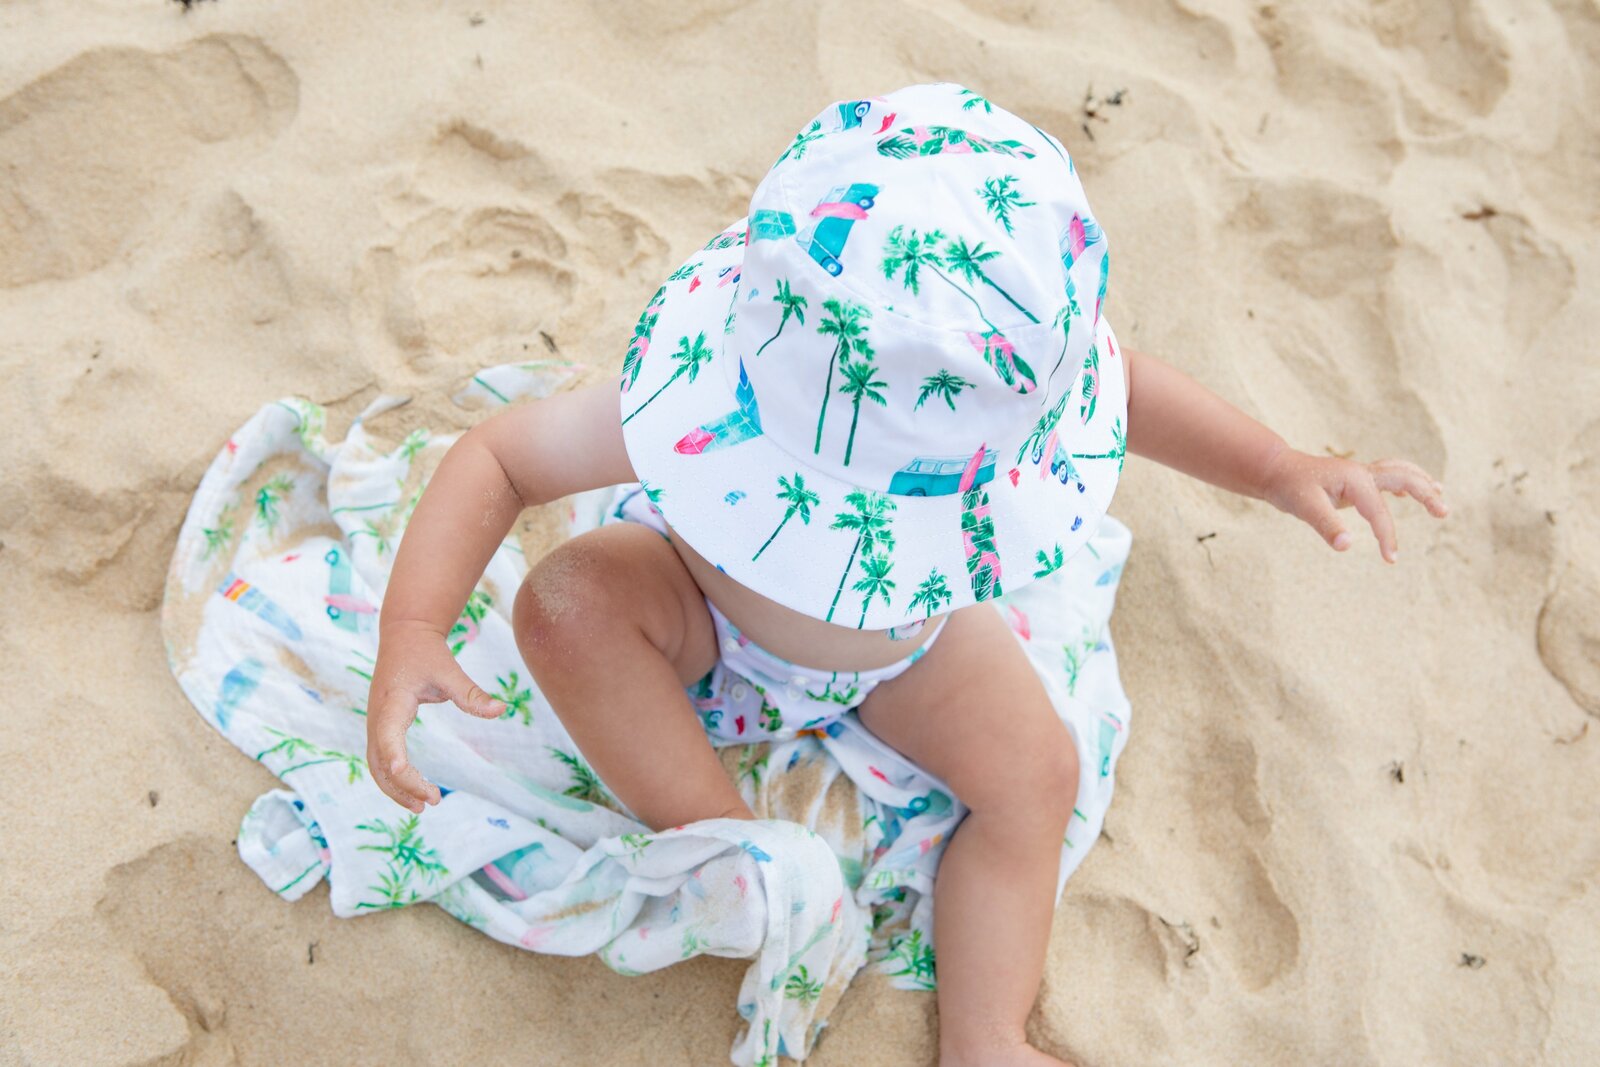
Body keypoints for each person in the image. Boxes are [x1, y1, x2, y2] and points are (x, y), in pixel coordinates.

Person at [363, 83, 1448, 1067]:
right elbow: (499, 456)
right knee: (565, 603)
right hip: (697, 605)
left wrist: (1278, 467)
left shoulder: (1004, 389)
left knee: (1034, 777)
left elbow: (1132, 391)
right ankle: (724, 836)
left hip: (906, 648)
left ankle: (985, 1035)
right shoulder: (715, 403)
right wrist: (413, 625)